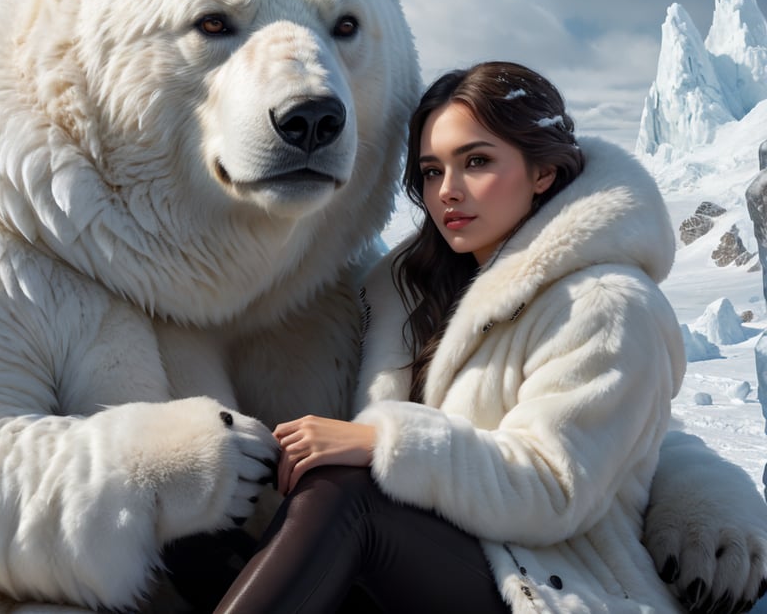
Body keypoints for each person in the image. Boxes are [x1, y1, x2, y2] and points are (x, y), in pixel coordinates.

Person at [211, 61, 694, 613]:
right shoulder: (409, 294)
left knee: (346, 494)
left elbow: (552, 488)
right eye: (432, 170)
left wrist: (381, 443)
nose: (448, 191)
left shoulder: (604, 304)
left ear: (543, 172)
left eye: (477, 162)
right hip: (432, 562)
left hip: (548, 585)